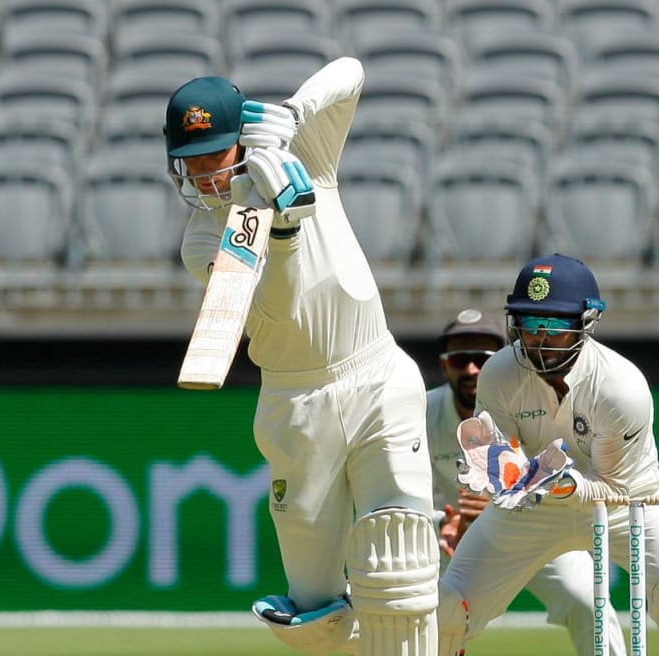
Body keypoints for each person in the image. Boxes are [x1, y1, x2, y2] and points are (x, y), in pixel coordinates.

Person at [164, 58, 439, 656]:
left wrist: (294, 111)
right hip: (296, 407)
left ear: (240, 142)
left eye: (216, 154)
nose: (206, 173)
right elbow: (278, 308)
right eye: (193, 160)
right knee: (315, 617)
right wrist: (281, 231)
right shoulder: (202, 240)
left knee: (401, 560)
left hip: (376, 376)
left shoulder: (305, 156)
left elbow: (354, 71)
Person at [436, 253, 659, 656]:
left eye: (555, 325)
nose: (539, 340)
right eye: (529, 324)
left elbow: (611, 486)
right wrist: (497, 467)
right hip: (532, 508)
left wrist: (556, 482)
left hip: (631, 505)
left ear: (586, 323)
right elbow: (497, 456)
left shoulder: (621, 388)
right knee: (443, 613)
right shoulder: (500, 372)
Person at [427, 308, 626, 656]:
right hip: (445, 540)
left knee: (588, 602)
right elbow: (402, 496)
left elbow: (569, 473)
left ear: (503, 360)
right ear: (445, 365)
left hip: (535, 525)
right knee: (426, 615)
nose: (472, 369)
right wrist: (443, 521)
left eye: (481, 359)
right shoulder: (421, 413)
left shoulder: (539, 399)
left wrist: (503, 503)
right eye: (460, 359)